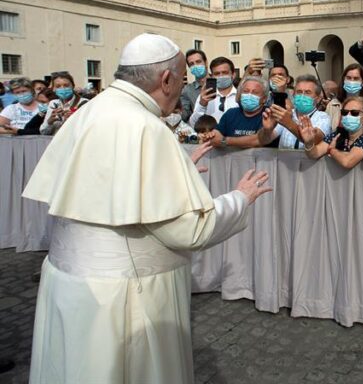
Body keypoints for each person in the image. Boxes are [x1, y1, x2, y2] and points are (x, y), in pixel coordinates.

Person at [22, 33, 273, 384]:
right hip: (124, 298)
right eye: (182, 78)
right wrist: (239, 198)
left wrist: (179, 168)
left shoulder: (90, 110)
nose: (182, 86)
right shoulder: (145, 125)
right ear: (166, 79)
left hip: (68, 284)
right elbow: (190, 229)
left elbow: (112, 179)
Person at [300, 96, 363, 169]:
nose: (348, 116)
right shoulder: (337, 135)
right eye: (345, 112)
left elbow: (347, 162)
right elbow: (314, 154)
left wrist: (332, 150)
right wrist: (309, 142)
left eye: (355, 113)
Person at [258, 75, 331, 149]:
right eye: (299, 92)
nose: (302, 96)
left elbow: (316, 140)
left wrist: (289, 123)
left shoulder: (323, 117)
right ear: (293, 95)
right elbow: (264, 140)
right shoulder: (286, 113)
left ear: (318, 99)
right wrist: (267, 130)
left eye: (307, 92)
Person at [201, 75, 269, 148]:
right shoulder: (230, 113)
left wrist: (224, 141)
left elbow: (257, 140)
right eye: (246, 91)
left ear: (264, 98)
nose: (249, 95)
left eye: (255, 92)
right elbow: (218, 133)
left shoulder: (269, 115)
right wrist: (212, 136)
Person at [325, 63, 363, 134]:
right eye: (348, 78)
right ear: (343, 80)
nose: (352, 81)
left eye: (356, 78)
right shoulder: (333, 105)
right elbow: (327, 131)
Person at [189, 56, 238, 127]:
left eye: (225, 72)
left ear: (233, 75)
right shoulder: (205, 96)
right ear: (212, 76)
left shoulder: (240, 96)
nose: (221, 76)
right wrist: (202, 105)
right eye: (217, 74)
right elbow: (193, 124)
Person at [40, 71, 89, 136]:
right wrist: (49, 122)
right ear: (53, 89)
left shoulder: (84, 103)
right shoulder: (53, 103)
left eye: (66, 85)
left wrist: (72, 121)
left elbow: (87, 131)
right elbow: (43, 132)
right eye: (58, 86)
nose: (62, 88)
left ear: (73, 86)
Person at [181, 49, 208, 122]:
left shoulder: (219, 84)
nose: (195, 66)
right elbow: (184, 115)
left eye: (198, 62)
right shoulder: (187, 90)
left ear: (206, 62)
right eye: (191, 64)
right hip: (201, 129)